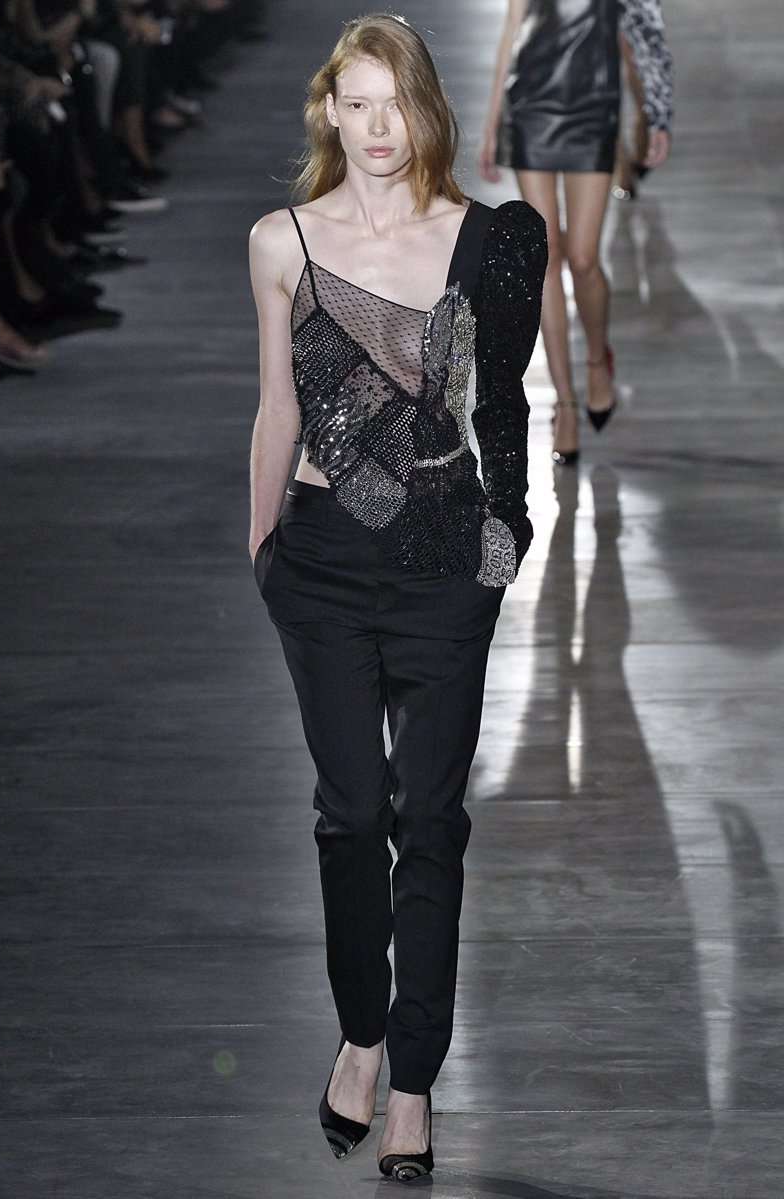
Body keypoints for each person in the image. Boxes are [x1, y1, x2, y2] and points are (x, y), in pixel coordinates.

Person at [247, 12, 546, 1183]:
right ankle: (360, 1035)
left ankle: (411, 1077)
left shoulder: (484, 240)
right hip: (319, 558)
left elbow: (503, 405)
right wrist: (262, 546)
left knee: (429, 817)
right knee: (349, 810)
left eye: (396, 102)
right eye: (356, 103)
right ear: (330, 111)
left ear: (426, 108)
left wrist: (502, 541)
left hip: (440, 552)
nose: (378, 127)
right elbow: (277, 406)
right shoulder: (282, 242)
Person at [478, 0, 673, 465]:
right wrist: (492, 124)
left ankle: (597, 360)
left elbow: (646, 30)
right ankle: (564, 402)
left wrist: (657, 113)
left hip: (593, 104)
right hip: (530, 103)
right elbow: (514, 23)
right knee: (544, 258)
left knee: (584, 259)